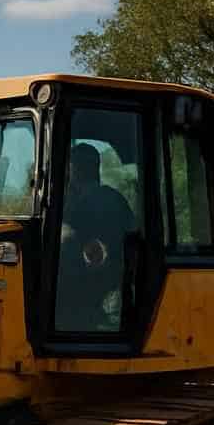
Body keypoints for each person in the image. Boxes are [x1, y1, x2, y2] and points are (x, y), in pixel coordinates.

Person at [58, 142, 136, 332]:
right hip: (116, 292)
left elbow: (68, 246)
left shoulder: (77, 208)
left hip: (83, 300)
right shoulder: (116, 199)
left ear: (73, 171)